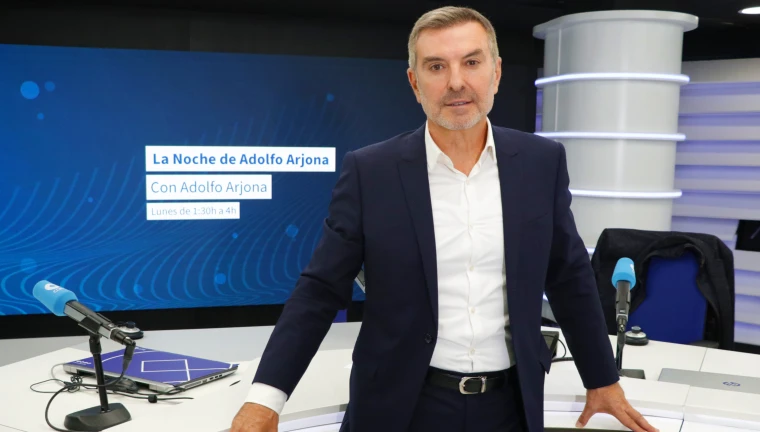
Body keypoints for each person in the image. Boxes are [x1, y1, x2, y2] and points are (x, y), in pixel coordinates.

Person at [231, 6, 659, 432]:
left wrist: (602, 379)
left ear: (496, 72)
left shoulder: (540, 162)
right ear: (414, 83)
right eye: (437, 66)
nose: (456, 82)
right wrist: (265, 399)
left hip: (510, 407)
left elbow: (568, 276)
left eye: (471, 62)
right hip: (400, 408)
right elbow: (320, 290)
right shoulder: (371, 172)